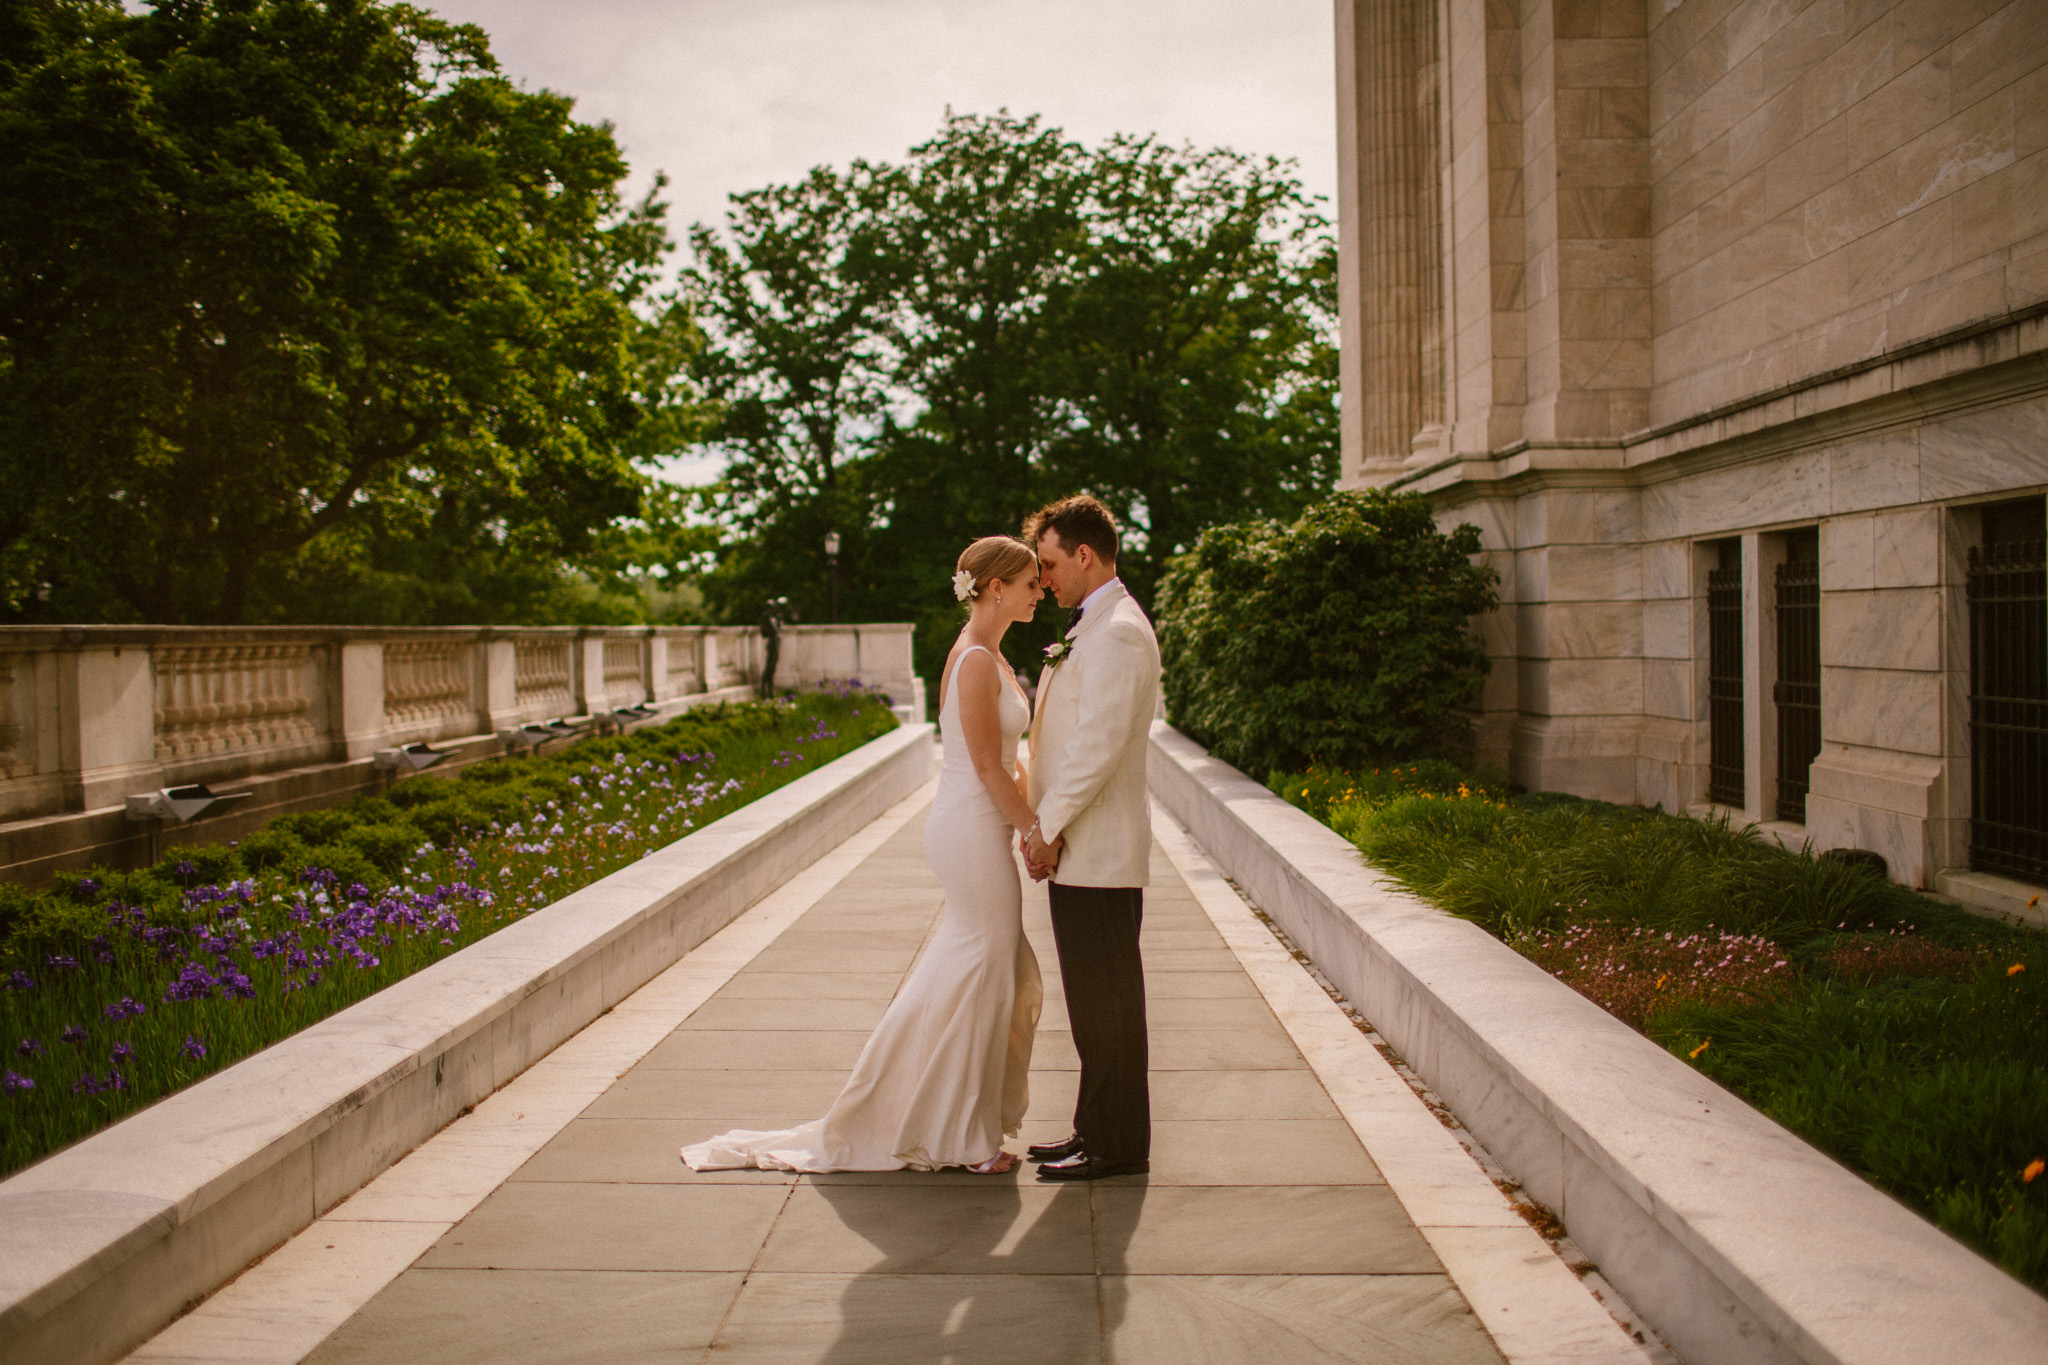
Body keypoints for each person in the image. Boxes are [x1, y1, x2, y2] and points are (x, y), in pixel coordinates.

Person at [681, 537, 1045, 1174]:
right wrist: (1033, 830)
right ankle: (962, 1137)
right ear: (996, 589)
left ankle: (937, 1115)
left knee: (980, 965)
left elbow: (1008, 759)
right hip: (968, 830)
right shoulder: (978, 662)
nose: (1040, 591)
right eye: (1031, 583)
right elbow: (986, 765)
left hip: (978, 829)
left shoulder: (988, 655)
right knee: (984, 966)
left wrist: (1030, 809)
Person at [1020, 494, 1162, 1181]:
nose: (1042, 577)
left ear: (1083, 554)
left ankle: (1116, 1146)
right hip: (1083, 853)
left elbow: (1096, 746)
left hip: (1097, 851)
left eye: (1048, 563)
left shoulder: (1120, 633)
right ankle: (1092, 1129)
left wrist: (1045, 829)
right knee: (1093, 1006)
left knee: (1108, 1006)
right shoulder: (1094, 626)